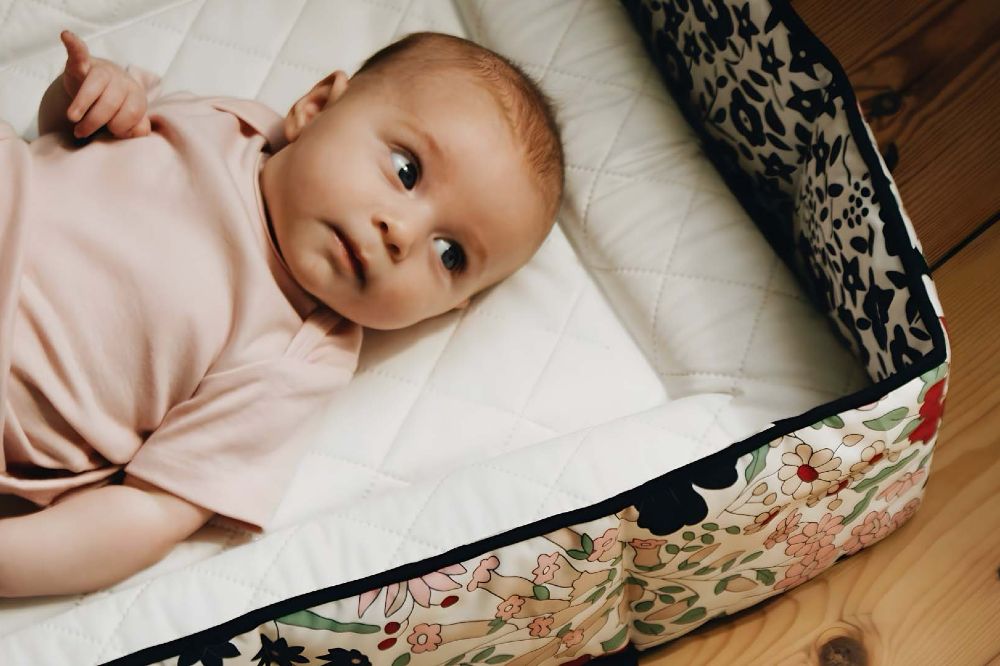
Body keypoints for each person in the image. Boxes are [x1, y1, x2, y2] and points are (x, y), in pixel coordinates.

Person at [0, 29, 564, 597]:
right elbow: (58, 139)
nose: (403, 234)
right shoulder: (223, 121)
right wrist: (90, 94)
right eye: (406, 171)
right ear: (316, 107)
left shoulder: (298, 355)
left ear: (446, 309)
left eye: (450, 255)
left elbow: (151, 512)